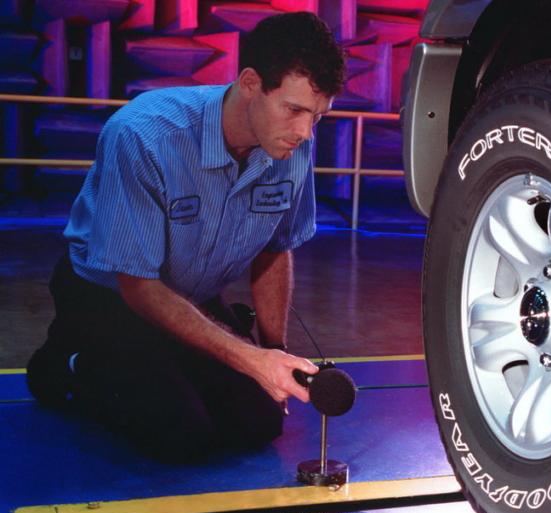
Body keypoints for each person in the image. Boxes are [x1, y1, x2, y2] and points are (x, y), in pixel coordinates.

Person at [25, 11, 347, 461]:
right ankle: (70, 363)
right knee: (180, 433)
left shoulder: (293, 143)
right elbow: (138, 287)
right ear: (250, 83)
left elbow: (275, 250)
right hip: (109, 296)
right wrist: (249, 359)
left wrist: (273, 353)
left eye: (318, 116)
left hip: (192, 296)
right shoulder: (143, 135)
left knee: (259, 422)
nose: (304, 132)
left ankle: (167, 359)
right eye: (293, 110)